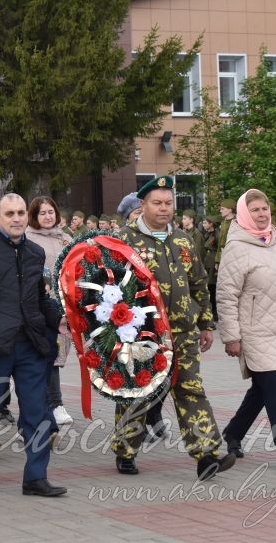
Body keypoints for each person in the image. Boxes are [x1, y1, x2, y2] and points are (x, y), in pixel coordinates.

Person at [113, 176, 235, 480]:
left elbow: (198, 283)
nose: (164, 209)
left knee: (191, 389)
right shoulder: (125, 240)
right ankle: (125, 449)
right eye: (157, 203)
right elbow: (111, 287)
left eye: (169, 203)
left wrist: (205, 322)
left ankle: (206, 455)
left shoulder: (182, 239)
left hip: (183, 331)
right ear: (143, 205)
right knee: (139, 391)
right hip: (143, 333)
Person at [0, 193, 66, 498]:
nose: (17, 218)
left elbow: (41, 297)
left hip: (31, 344)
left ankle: (35, 477)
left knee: (37, 410)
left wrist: (58, 320)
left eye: (20, 213)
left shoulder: (34, 252)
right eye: (10, 213)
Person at [217, 189, 276, 472]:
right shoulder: (236, 247)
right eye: (256, 210)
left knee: (262, 389)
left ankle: (233, 432)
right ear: (245, 214)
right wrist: (231, 336)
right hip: (254, 331)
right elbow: (226, 295)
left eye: (265, 209)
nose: (262, 214)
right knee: (275, 387)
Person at [25, 196, 73, 430]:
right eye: (42, 213)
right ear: (34, 216)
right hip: (35, 306)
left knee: (56, 354)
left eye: (50, 212)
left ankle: (49, 403)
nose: (47, 217)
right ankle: (55, 403)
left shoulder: (66, 239)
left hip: (62, 307)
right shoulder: (26, 238)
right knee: (46, 355)